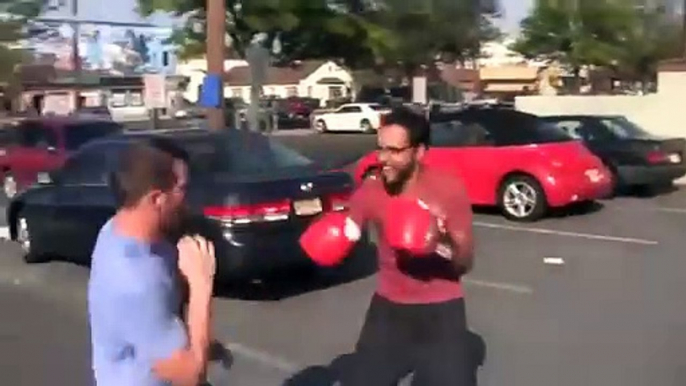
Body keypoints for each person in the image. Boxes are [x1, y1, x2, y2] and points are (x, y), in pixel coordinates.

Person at [342, 107, 475, 385]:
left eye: (394, 151)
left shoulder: (447, 190)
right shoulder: (372, 189)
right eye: (381, 149)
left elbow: (465, 261)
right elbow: (347, 231)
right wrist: (333, 235)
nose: (383, 159)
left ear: (419, 152)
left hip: (441, 307)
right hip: (389, 306)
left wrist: (438, 243)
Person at [87, 137, 216, 386]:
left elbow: (154, 317)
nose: (187, 201)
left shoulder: (118, 228)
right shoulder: (135, 280)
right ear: (157, 199)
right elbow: (191, 376)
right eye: (182, 190)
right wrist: (202, 285)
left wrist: (200, 337)